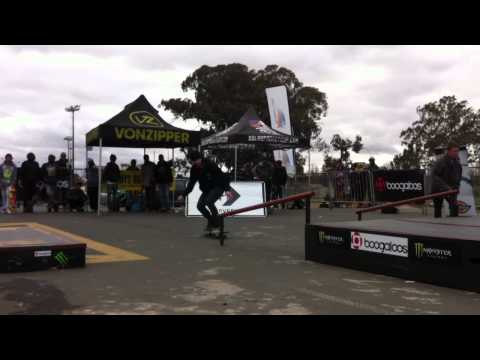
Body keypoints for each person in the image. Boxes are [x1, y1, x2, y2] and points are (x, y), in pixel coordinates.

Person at [184, 150, 230, 231]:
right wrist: (183, 194)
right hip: (207, 190)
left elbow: (223, 176)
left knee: (209, 201)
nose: (195, 163)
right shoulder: (194, 169)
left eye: (196, 161)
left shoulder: (210, 164)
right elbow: (191, 183)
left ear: (200, 158)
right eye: (193, 161)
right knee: (200, 206)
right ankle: (212, 221)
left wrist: (227, 189)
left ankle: (216, 223)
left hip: (218, 187)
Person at [431, 142, 462, 218]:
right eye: (454, 151)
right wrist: (446, 187)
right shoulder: (440, 162)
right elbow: (435, 176)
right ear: (448, 151)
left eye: (457, 151)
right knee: (438, 209)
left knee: (454, 206)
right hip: (438, 189)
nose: (456, 153)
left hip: (451, 189)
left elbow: (458, 177)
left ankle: (453, 225)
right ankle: (438, 226)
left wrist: (456, 187)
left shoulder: (457, 163)